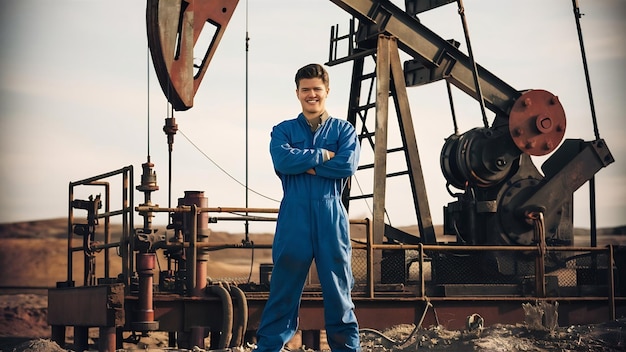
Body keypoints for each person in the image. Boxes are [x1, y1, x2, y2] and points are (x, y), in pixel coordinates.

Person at [255, 63, 361, 351]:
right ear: (297, 92)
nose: (311, 94)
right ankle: (268, 348)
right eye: (305, 90)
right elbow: (282, 161)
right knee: (283, 289)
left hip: (330, 213)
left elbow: (347, 165)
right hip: (295, 215)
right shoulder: (283, 130)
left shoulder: (344, 130)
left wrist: (306, 165)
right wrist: (323, 156)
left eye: (316, 89)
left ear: (327, 91)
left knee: (339, 290)